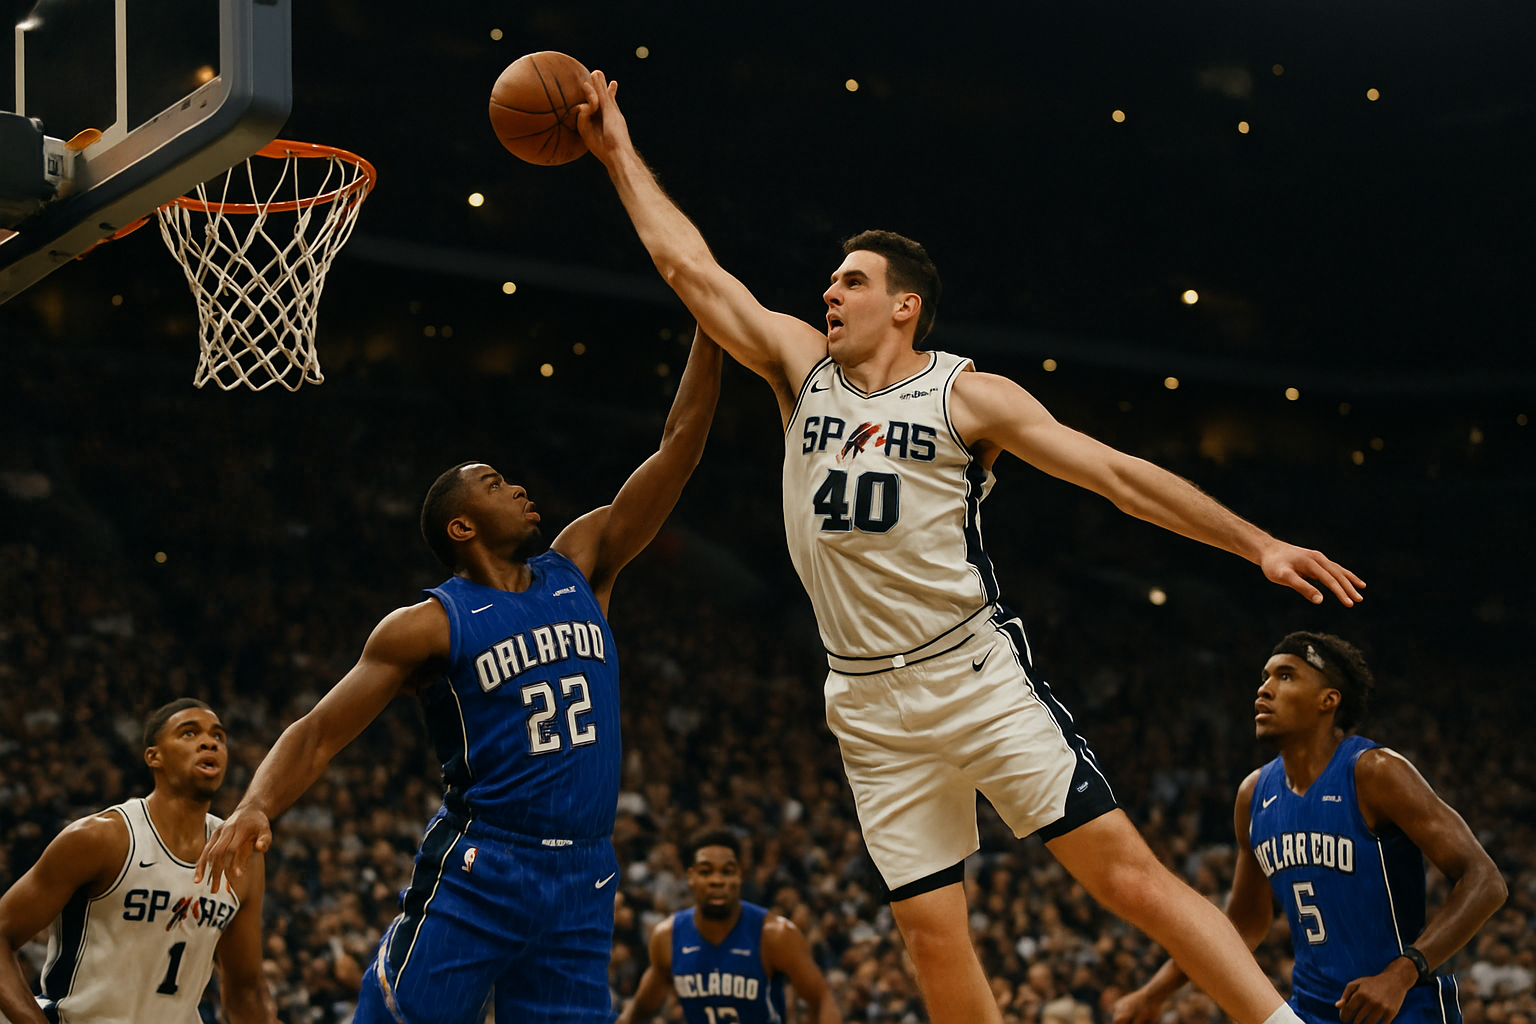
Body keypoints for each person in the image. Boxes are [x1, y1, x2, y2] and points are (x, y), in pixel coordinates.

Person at [573, 72, 1368, 1024]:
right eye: (831, 278)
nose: (830, 289)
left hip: (972, 670)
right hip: (864, 698)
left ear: (903, 307)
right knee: (930, 936)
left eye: (853, 280)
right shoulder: (799, 369)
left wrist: (1258, 543)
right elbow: (689, 271)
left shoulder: (965, 395)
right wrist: (616, 150)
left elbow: (1115, 475)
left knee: (1126, 878)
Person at [194, 331, 723, 1024]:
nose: (520, 487)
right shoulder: (427, 625)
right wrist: (257, 803)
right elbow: (318, 732)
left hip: (585, 877)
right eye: (496, 484)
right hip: (484, 869)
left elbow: (677, 447)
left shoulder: (582, 562)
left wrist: (710, 330)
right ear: (462, 525)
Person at [1113, 632, 1507, 1024]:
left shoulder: (1375, 773)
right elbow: (1242, 926)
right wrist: (1154, 993)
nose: (1264, 689)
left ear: (1328, 699)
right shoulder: (1252, 795)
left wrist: (1400, 974)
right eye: (1265, 677)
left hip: (1403, 1008)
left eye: (1285, 676)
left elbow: (1485, 880)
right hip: (1312, 1011)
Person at [0, 698, 272, 1024]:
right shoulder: (101, 839)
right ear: (153, 757)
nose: (209, 742)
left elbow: (245, 991)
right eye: (189, 733)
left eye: (219, 736)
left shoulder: (242, 856)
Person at [617, 829, 840, 1024]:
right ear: (691, 877)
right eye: (706, 871)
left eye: (727, 871)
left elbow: (821, 1000)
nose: (717, 880)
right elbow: (641, 1010)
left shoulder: (774, 934)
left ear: (739, 876)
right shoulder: (668, 936)